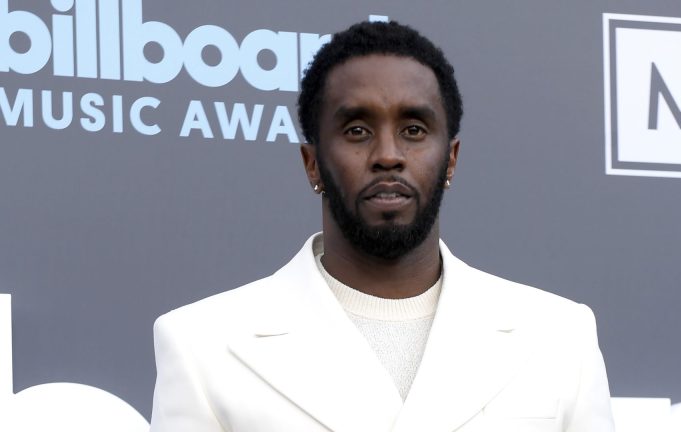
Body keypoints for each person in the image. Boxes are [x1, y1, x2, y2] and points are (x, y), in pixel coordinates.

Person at [149, 21, 615, 432]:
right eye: (357, 130)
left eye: (413, 129)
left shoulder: (558, 337)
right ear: (312, 164)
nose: (388, 155)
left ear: (450, 159)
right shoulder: (202, 345)